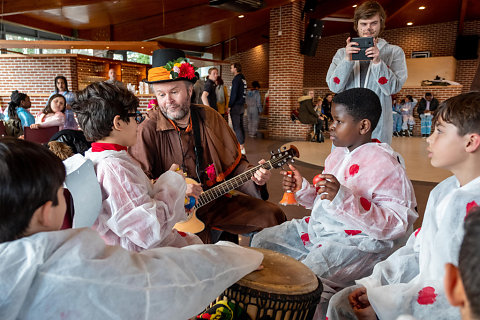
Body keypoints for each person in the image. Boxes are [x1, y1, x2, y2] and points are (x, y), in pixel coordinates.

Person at [0, 137, 264, 319]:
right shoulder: (75, 272)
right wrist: (240, 256)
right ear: (46, 213)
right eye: (61, 193)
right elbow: (170, 278)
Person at [252, 88, 417, 317]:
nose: (330, 125)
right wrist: (304, 189)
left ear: (363, 126)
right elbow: (326, 203)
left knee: (305, 277)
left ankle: (306, 310)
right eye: (331, 119)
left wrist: (344, 198)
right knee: (263, 240)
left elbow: (396, 224)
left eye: (338, 121)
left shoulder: (386, 164)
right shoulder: (338, 154)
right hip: (320, 230)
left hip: (356, 243)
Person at [327, 91, 480, 320]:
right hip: (418, 291)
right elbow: (417, 250)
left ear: (470, 141)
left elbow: (463, 300)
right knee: (342, 302)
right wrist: (376, 285)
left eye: (439, 131)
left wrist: (387, 306)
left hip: (446, 308)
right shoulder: (444, 190)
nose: (429, 138)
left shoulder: (473, 208)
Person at [129, 48, 286, 244]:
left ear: (189, 90)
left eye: (174, 92)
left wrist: (256, 177)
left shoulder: (209, 117)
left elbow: (235, 165)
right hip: (174, 216)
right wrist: (173, 190)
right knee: (198, 252)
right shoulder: (146, 130)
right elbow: (138, 188)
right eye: (161, 94)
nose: (167, 101)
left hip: (214, 200)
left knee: (272, 216)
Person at [72, 81, 202, 251]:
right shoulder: (114, 168)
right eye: (136, 118)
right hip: (142, 257)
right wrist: (171, 182)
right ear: (118, 123)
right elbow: (149, 230)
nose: (138, 124)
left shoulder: (100, 157)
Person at [326, 0, 407, 145]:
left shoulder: (394, 52)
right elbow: (334, 87)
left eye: (373, 23)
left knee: (374, 163)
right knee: (344, 163)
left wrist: (377, 62)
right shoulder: (341, 53)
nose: (368, 28)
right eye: (363, 24)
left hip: (377, 121)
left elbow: (393, 88)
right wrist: (347, 60)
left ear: (381, 23)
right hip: (347, 119)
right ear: (357, 24)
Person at [229, 62, 247, 154]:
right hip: (241, 105)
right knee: (240, 125)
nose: (231, 69)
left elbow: (234, 94)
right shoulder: (243, 78)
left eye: (231, 68)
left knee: (236, 126)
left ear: (235, 68)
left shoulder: (236, 79)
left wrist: (229, 105)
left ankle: (241, 147)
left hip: (236, 106)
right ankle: (242, 145)